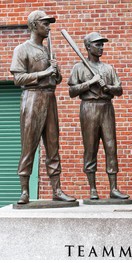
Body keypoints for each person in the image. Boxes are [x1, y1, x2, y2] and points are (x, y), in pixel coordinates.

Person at [10, 10, 76, 204]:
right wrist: (44, 73)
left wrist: (56, 72)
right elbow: (18, 78)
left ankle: (57, 190)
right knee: (29, 146)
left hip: (49, 98)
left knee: (53, 146)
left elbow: (56, 80)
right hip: (32, 98)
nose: (48, 27)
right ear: (34, 25)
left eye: (49, 24)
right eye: (45, 23)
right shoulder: (22, 49)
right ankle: (24, 191)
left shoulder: (48, 51)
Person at [68, 32, 129, 200]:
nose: (101, 47)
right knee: (90, 148)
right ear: (88, 47)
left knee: (111, 147)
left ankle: (113, 188)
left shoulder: (108, 68)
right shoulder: (79, 67)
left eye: (102, 44)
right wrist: (90, 83)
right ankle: (92, 189)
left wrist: (107, 87)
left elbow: (119, 90)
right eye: (97, 44)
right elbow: (72, 91)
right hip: (89, 107)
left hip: (106, 107)